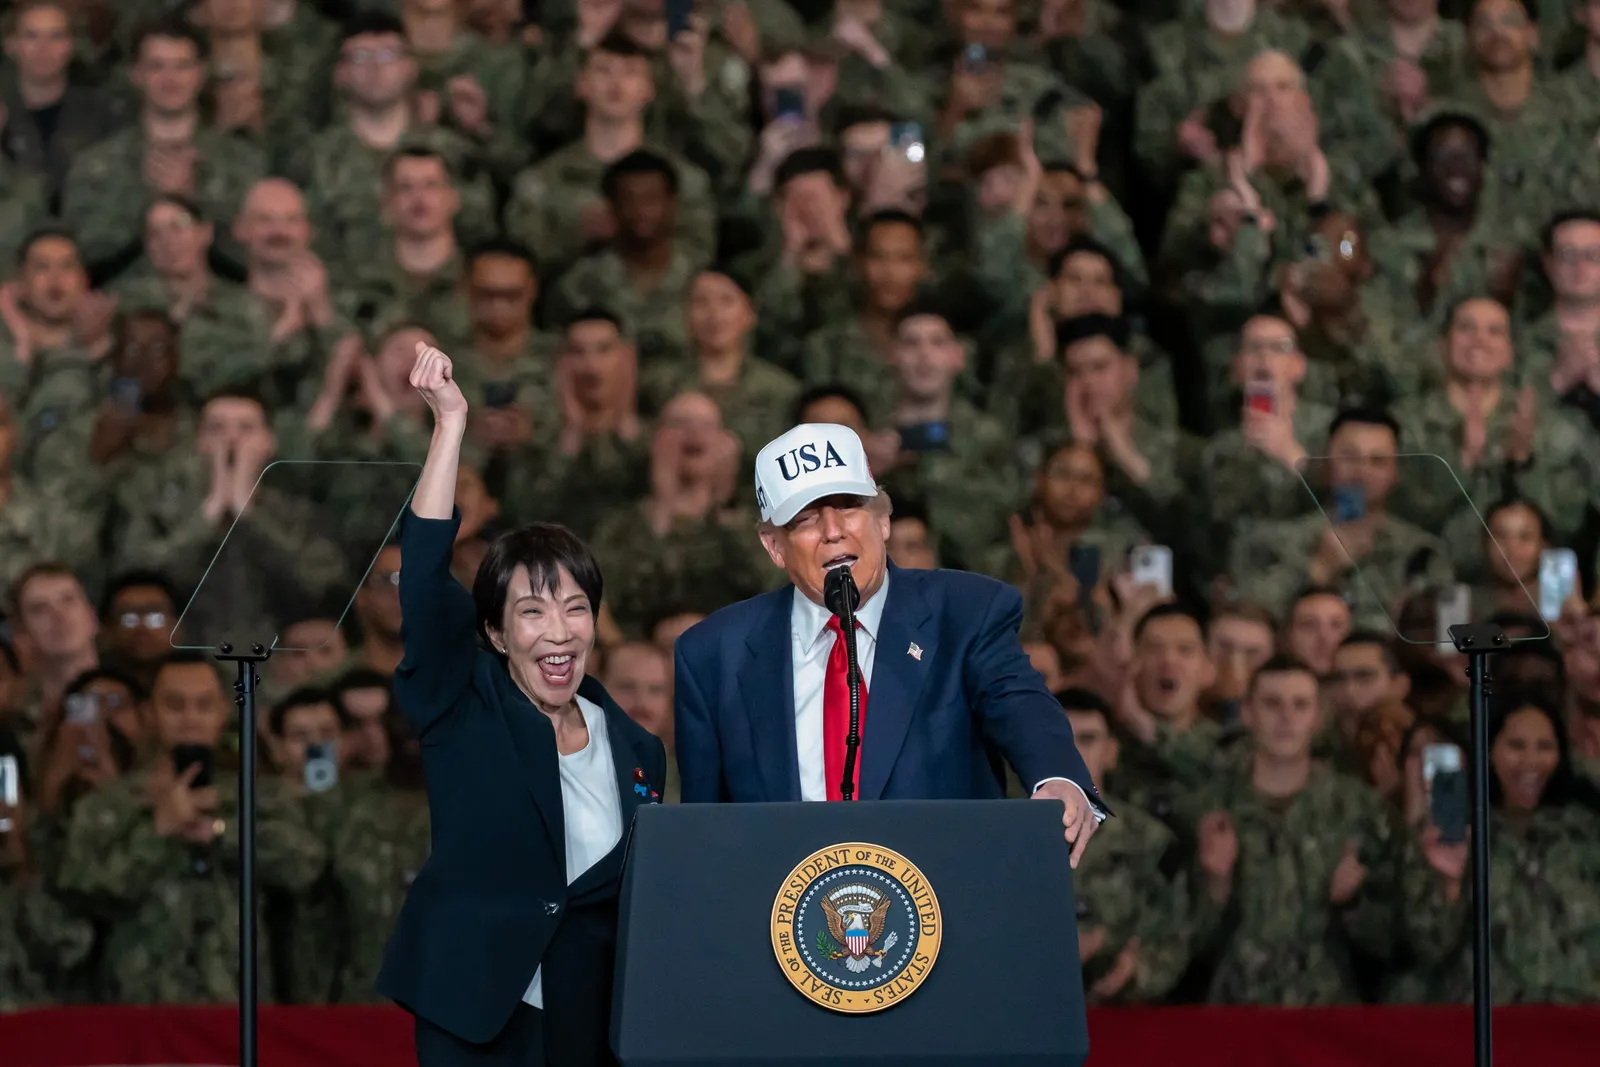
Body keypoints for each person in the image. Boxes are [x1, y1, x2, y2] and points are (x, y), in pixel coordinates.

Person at [380, 342, 666, 1066]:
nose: (559, 630)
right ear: (495, 633)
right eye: (533, 612)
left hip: (594, 1020)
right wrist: (450, 424)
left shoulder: (637, 747)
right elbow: (420, 579)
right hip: (476, 1008)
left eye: (576, 608)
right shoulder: (463, 701)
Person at [673, 422, 1105, 866]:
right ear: (774, 546)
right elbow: (707, 834)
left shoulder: (966, 613)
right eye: (805, 519)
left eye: (850, 507)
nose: (833, 530)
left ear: (883, 520)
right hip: (778, 923)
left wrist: (1058, 778)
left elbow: (1021, 704)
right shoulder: (713, 655)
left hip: (945, 908)